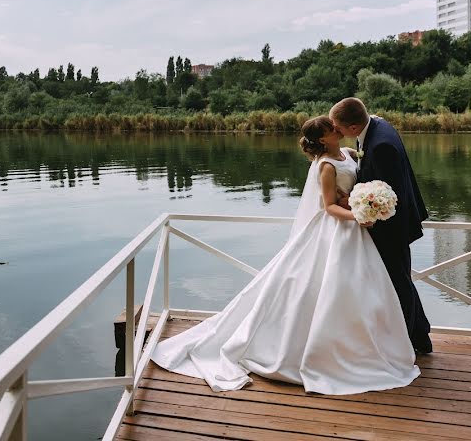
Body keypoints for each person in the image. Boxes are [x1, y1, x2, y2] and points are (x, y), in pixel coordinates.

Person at [151, 116, 419, 394]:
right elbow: (328, 207)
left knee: (361, 288)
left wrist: (365, 198)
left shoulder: (348, 153)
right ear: (324, 138)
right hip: (337, 230)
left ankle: (364, 344)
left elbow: (357, 175)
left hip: (354, 235)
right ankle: (322, 349)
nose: (338, 129)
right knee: (329, 286)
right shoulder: (326, 166)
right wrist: (358, 214)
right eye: (332, 128)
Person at [329, 97, 432, 354]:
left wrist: (355, 206)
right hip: (394, 221)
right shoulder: (375, 124)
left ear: (353, 127)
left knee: (397, 283)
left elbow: (389, 195)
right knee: (400, 280)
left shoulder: (381, 146)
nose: (336, 133)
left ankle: (410, 343)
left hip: (391, 226)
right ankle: (419, 336)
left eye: (338, 128)